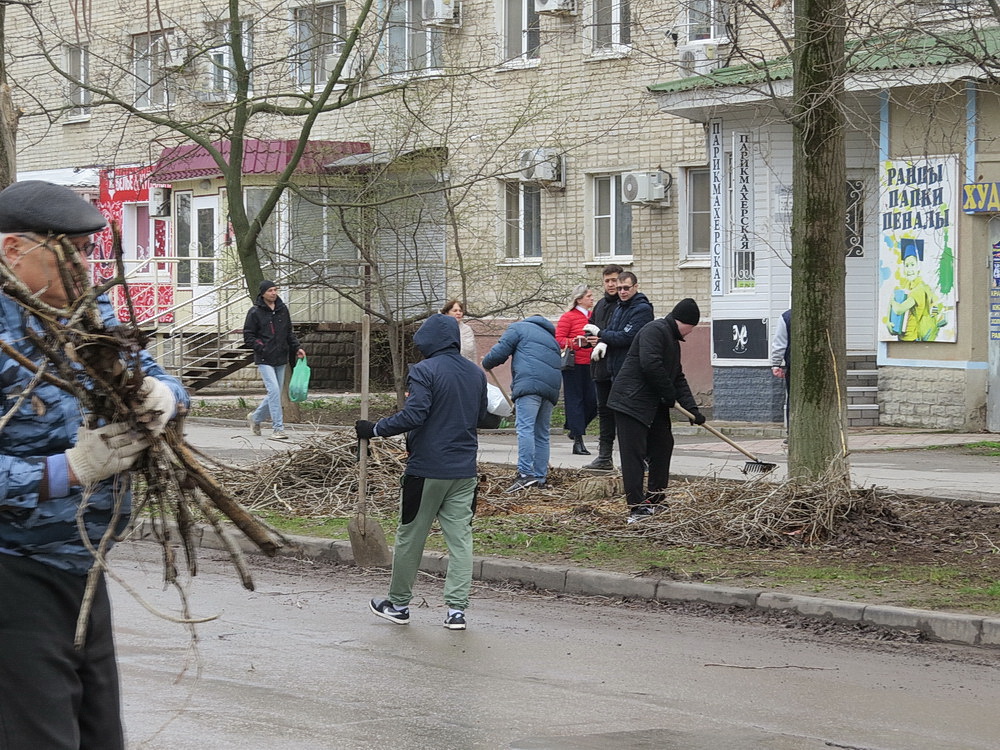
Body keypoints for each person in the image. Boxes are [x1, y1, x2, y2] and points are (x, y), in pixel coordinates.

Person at [0, 180, 189, 748]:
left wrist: (165, 396)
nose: (85, 265)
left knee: (101, 735)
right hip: (14, 572)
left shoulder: (87, 311)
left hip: (83, 563)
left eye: (88, 251)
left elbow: (151, 371)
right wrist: (70, 470)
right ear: (13, 250)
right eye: (70, 251)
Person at [356, 314, 487, 630]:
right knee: (461, 541)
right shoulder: (475, 373)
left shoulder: (424, 371)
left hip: (426, 470)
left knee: (411, 537)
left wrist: (375, 429)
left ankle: (399, 605)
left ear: (428, 342)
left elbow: (414, 415)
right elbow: (482, 416)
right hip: (464, 472)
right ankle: (456, 612)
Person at [608, 298, 704, 523]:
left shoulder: (672, 340)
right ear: (684, 322)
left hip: (653, 404)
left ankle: (655, 499)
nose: (691, 332)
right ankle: (636, 507)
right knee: (634, 455)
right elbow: (650, 365)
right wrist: (668, 394)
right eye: (691, 327)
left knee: (663, 445)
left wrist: (692, 409)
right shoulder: (654, 330)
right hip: (630, 403)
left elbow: (677, 377)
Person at [481, 314, 562, 492]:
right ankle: (540, 477)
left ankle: (525, 474)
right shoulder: (551, 339)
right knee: (542, 433)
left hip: (529, 386)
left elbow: (500, 352)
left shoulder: (518, 328)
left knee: (525, 428)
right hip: (551, 388)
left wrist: (486, 362)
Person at [244, 280, 306, 440]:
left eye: (275, 290)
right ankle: (278, 429)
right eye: (270, 290)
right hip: (264, 358)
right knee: (274, 391)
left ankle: (255, 418)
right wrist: (261, 347)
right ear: (263, 293)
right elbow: (248, 336)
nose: (274, 293)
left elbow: (288, 332)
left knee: (275, 393)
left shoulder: (282, 309)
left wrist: (297, 348)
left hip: (281, 357)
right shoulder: (255, 312)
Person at [581, 264, 623, 470]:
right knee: (604, 413)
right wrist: (588, 340)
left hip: (620, 368)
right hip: (600, 367)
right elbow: (590, 327)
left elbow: (626, 336)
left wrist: (603, 338)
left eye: (614, 280)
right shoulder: (600, 305)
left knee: (624, 413)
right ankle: (604, 456)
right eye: (607, 281)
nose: (611, 285)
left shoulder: (626, 305)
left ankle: (637, 458)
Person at [555, 284, 598, 456]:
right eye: (588, 296)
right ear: (579, 299)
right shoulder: (568, 317)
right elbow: (558, 340)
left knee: (594, 401)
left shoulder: (594, 316)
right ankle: (578, 441)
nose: (592, 299)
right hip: (574, 365)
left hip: (593, 363)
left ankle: (574, 428)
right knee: (575, 401)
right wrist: (576, 342)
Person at [770, 308, 791, 431]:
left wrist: (776, 364)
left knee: (793, 398)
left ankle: (792, 431)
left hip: (794, 364)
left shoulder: (787, 317)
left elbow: (779, 343)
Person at [441, 298, 477, 362]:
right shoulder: (441, 329)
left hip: (466, 365)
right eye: (455, 311)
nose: (458, 313)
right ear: (446, 313)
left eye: (460, 311)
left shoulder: (467, 330)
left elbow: (473, 353)